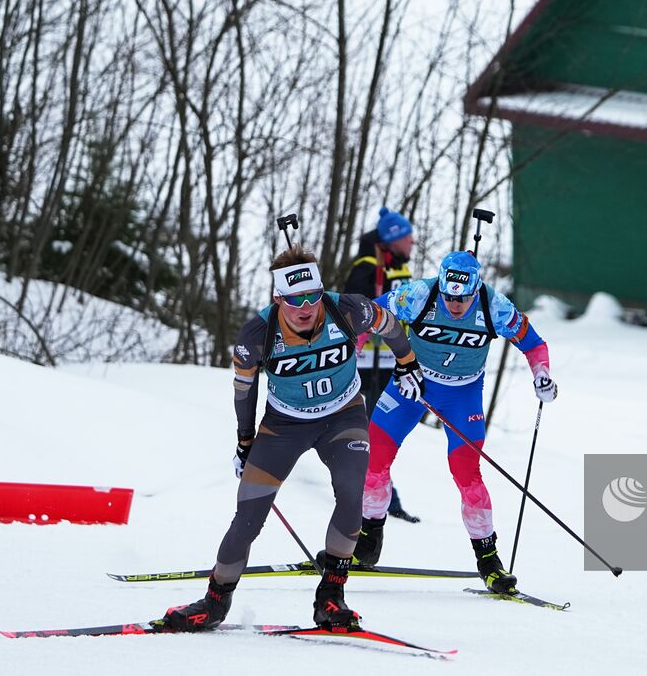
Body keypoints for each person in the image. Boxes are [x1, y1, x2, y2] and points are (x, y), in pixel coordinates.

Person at [159, 243, 415, 632]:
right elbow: (244, 392)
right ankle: (214, 602)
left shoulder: (347, 308)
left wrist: (407, 363)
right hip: (284, 426)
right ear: (278, 296)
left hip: (343, 417)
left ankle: (330, 597)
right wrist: (245, 443)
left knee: (352, 497)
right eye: (294, 299)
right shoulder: (257, 333)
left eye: (312, 295)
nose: (305, 307)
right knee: (248, 516)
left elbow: (391, 326)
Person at [353, 249, 557, 593]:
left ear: (476, 288)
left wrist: (542, 374)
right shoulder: (418, 294)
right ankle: (368, 538)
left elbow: (533, 343)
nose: (454, 304)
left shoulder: (495, 306)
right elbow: (369, 314)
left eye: (462, 298)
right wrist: (351, 355)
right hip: (410, 384)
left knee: (467, 474)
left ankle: (489, 561)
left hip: (462, 395)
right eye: (448, 296)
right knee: (374, 461)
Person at [343, 207, 419, 522]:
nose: (412, 243)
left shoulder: (396, 266)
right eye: (406, 237)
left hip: (393, 362)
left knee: (384, 430)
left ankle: (381, 496)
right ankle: (380, 499)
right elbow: (353, 314)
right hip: (368, 364)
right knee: (373, 430)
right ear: (391, 239)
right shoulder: (367, 269)